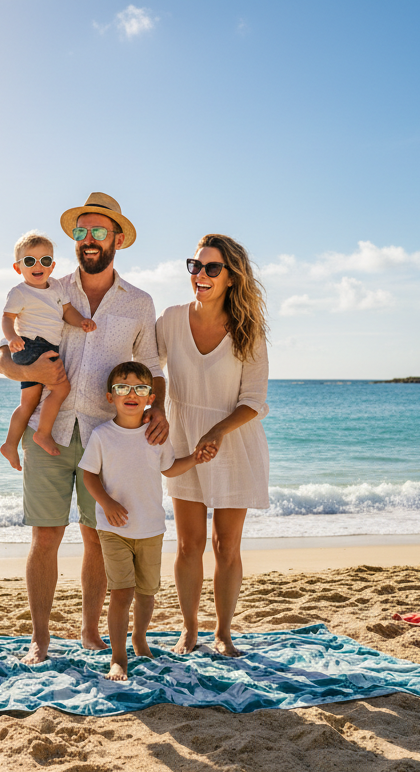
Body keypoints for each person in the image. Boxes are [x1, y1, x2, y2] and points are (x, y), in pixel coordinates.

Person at [0, 192, 168, 664]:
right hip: (47, 431)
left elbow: (151, 367)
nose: (88, 240)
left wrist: (160, 411)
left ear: (117, 239)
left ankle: (91, 632)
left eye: (98, 232)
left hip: (105, 435)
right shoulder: (47, 285)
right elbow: (0, 356)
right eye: (81, 232)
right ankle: (41, 639)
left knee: (97, 537)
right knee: (45, 536)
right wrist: (32, 374)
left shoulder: (140, 303)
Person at [157, 233, 269, 656]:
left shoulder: (247, 331)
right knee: (188, 544)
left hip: (232, 443)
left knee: (226, 545)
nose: (200, 275)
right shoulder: (170, 319)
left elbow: (253, 401)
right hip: (185, 439)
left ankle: (223, 632)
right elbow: (153, 364)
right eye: (195, 266)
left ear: (231, 277)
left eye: (211, 268)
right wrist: (157, 409)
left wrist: (218, 432)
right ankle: (190, 629)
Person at [79, 362, 203, 680]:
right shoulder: (102, 435)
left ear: (150, 397)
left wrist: (195, 458)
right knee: (122, 591)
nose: (131, 393)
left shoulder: (156, 435)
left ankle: (139, 637)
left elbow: (170, 468)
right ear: (110, 396)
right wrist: (106, 503)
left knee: (147, 593)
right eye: (123, 387)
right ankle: (118, 658)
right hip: (114, 529)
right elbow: (88, 474)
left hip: (150, 527)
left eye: (140, 388)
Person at [0, 230, 97, 469]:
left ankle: (10, 444)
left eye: (44, 260)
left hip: (47, 345)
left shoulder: (56, 288)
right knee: (61, 388)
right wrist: (11, 337)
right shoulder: (19, 292)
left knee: (29, 403)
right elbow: (7, 317)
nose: (38, 265)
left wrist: (81, 320)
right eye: (29, 261)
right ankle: (41, 433)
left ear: (52, 266)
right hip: (31, 345)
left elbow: (67, 311)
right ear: (18, 268)